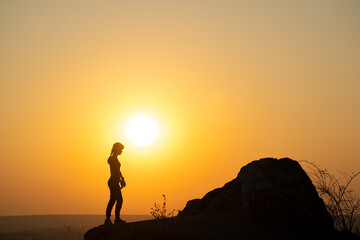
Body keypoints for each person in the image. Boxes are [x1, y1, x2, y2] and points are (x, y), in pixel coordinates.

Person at [105, 142, 126, 224]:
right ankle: (114, 219)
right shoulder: (112, 159)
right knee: (118, 200)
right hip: (113, 181)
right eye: (121, 149)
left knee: (113, 200)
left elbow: (118, 171)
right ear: (117, 149)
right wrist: (120, 180)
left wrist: (122, 179)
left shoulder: (115, 158)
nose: (122, 151)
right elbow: (115, 171)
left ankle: (110, 219)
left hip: (115, 181)